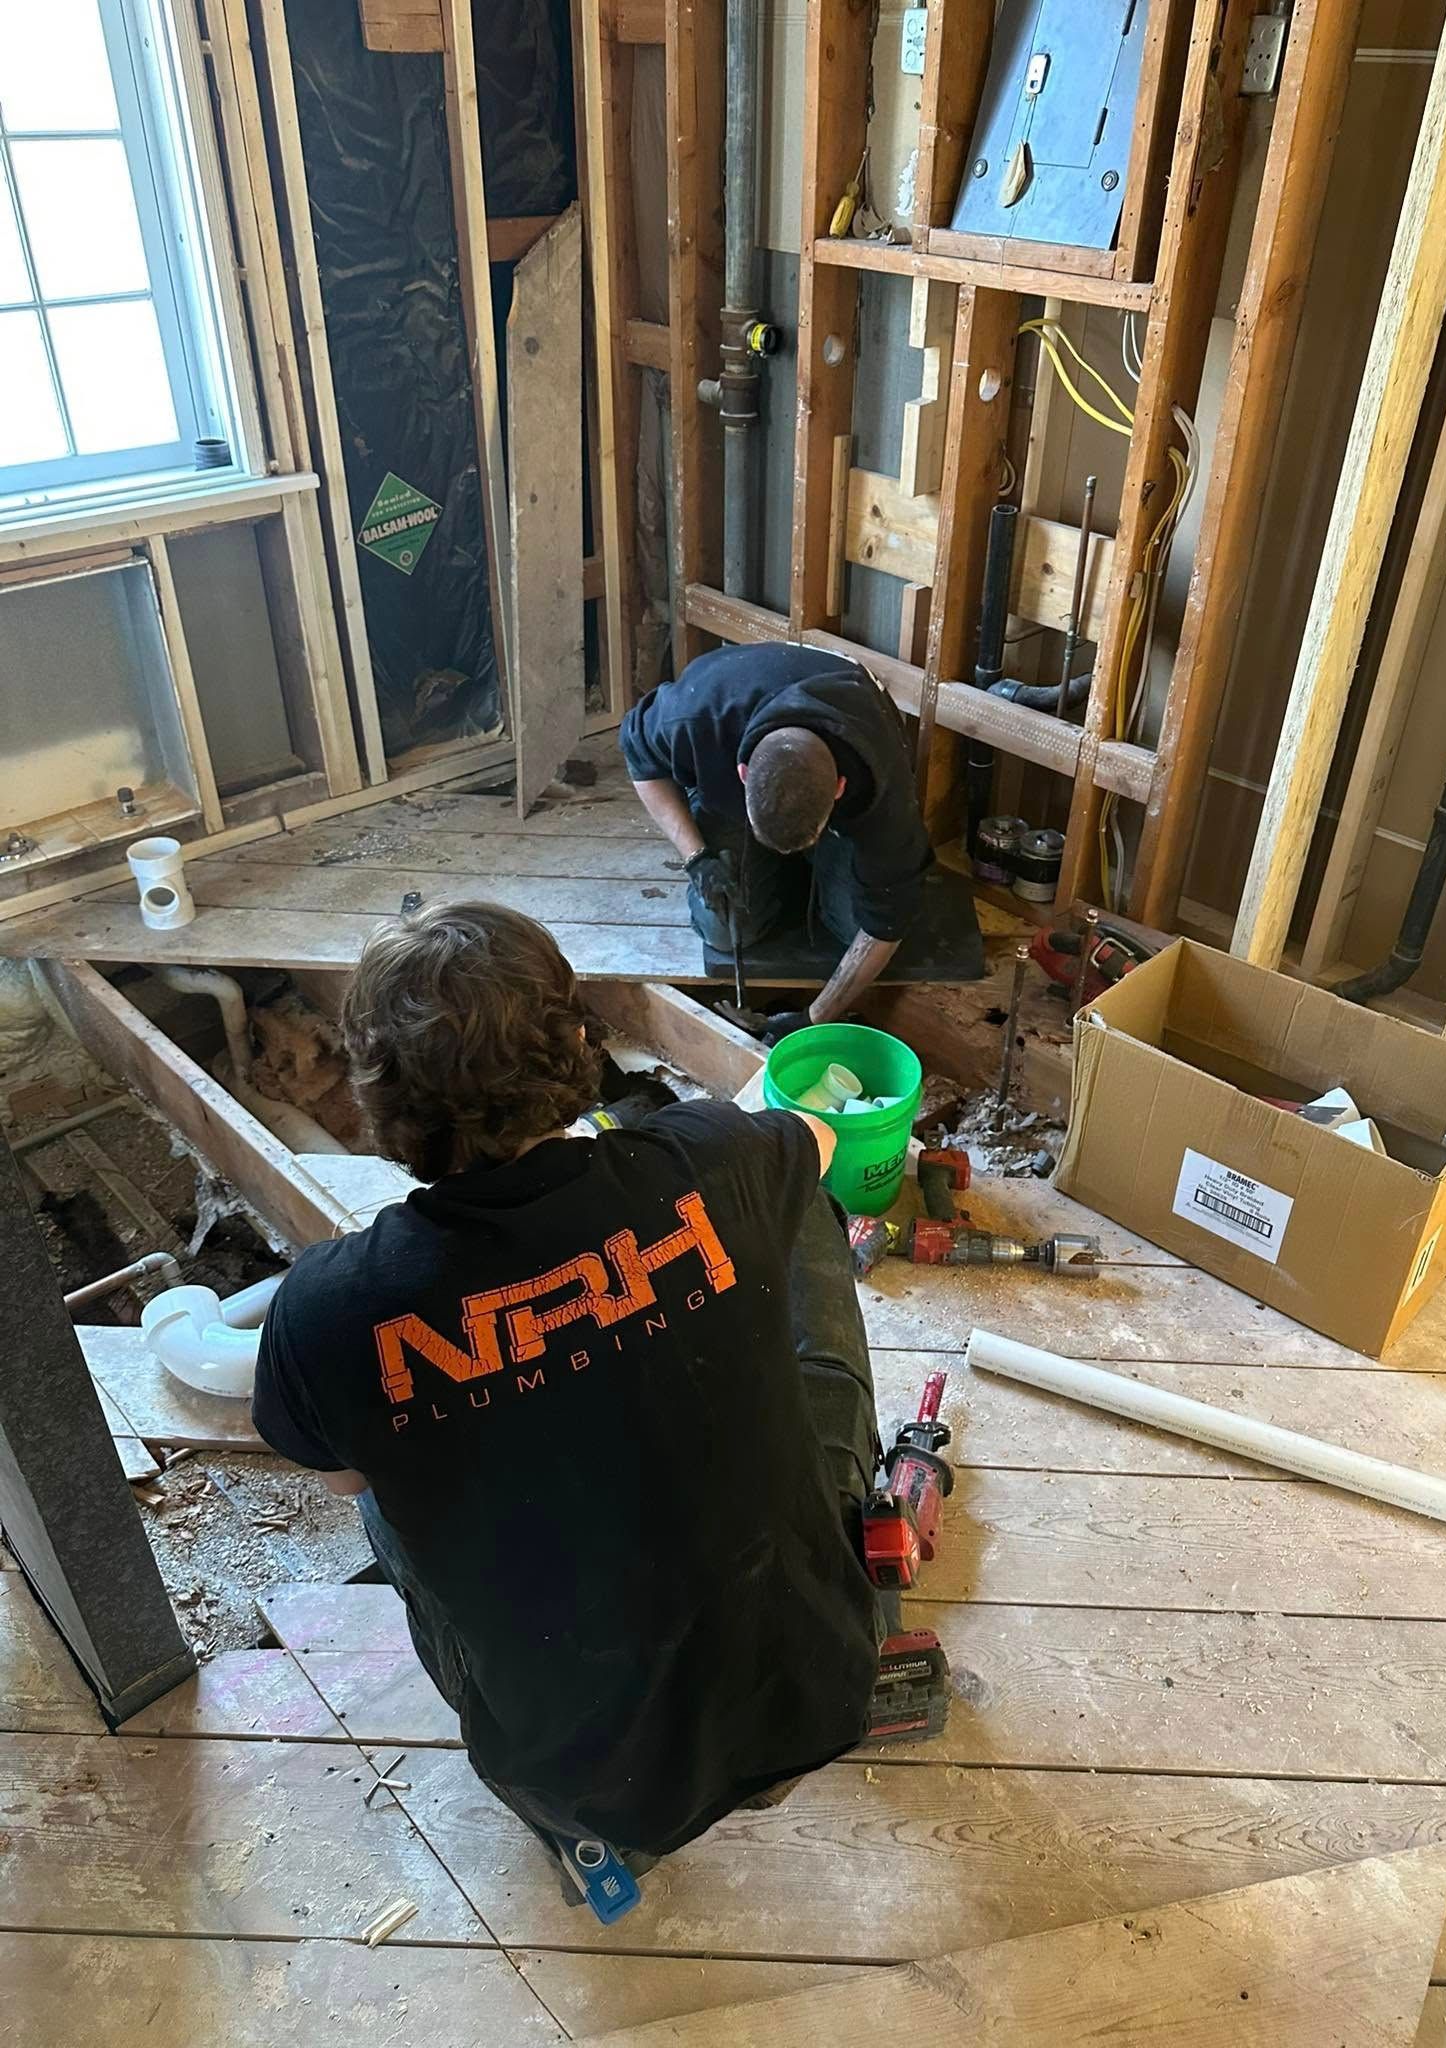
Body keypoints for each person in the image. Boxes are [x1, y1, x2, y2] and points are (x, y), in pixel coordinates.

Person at [252, 902, 883, 1881]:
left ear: (375, 1096)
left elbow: (344, 1484)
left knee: (373, 1477)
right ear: (578, 1041)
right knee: (796, 1198)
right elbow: (814, 1138)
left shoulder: (329, 1310)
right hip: (815, 1686)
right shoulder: (714, 1156)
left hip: (589, 1783)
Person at [620, 641, 934, 1042]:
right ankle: (772, 870)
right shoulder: (695, 720)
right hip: (734, 710)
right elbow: (639, 759)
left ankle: (797, 871)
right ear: (743, 773)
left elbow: (888, 921)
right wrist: (697, 858)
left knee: (851, 926)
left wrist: (814, 1017)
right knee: (724, 930)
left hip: (850, 728)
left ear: (839, 789)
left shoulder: (881, 786)